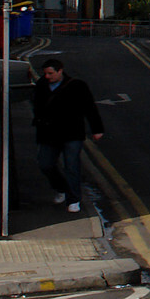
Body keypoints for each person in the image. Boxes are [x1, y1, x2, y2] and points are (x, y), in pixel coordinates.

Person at [32, 58, 104, 212]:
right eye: (45, 73)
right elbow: (36, 106)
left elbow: (90, 108)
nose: (47, 77)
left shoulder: (77, 86)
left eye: (50, 73)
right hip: (48, 133)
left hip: (71, 133)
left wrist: (97, 129)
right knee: (45, 164)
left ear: (60, 71)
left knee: (71, 166)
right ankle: (61, 188)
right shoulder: (41, 85)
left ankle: (73, 199)